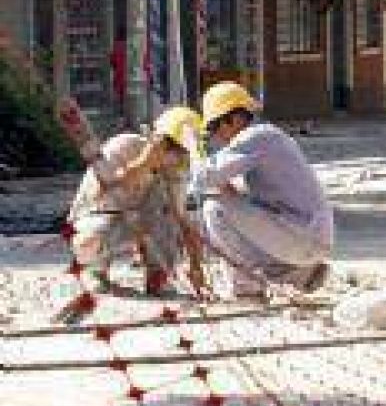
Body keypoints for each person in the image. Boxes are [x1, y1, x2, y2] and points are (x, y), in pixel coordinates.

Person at [192, 82, 332, 300]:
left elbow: (206, 177)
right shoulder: (267, 137)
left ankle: (248, 287)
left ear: (234, 119)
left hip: (305, 238)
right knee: (231, 199)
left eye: (215, 128)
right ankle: (297, 274)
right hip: (307, 236)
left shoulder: (257, 136)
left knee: (215, 209)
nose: (217, 137)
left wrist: (192, 148)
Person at [65, 106, 206, 304]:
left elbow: (182, 221)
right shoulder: (124, 146)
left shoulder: (173, 172)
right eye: (177, 152)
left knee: (168, 208)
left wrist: (196, 265)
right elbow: (101, 191)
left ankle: (159, 275)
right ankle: (95, 270)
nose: (180, 160)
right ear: (161, 143)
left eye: (184, 154)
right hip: (100, 217)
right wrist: (143, 164)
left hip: (137, 224)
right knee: (89, 241)